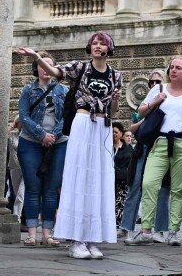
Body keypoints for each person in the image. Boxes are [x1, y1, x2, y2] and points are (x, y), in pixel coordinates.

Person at [19, 32, 123, 259]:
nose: (98, 46)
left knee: (99, 181)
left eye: (102, 43)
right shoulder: (81, 67)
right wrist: (37, 57)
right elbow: (57, 72)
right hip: (83, 122)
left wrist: (115, 99)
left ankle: (92, 239)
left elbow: (114, 110)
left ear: (109, 48)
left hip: (103, 126)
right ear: (90, 47)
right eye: (94, 43)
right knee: (79, 178)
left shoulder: (116, 75)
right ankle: (76, 240)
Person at [124, 56, 182, 246]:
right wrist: (154, 102)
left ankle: (173, 232)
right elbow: (139, 113)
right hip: (159, 142)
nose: (173, 70)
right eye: (171, 67)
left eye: (178, 68)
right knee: (149, 183)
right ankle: (146, 231)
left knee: (178, 189)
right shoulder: (158, 89)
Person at [16, 52, 68, 246]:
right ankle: (31, 234)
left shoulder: (63, 90)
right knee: (32, 188)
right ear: (36, 68)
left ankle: (47, 234)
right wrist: (41, 135)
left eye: (49, 64)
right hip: (30, 142)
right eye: (41, 64)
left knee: (51, 189)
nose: (45, 68)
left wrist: (52, 135)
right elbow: (23, 116)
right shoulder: (28, 90)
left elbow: (67, 115)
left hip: (59, 142)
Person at [121, 70, 171, 239]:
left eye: (158, 82)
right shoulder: (145, 104)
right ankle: (127, 227)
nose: (155, 85)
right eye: (152, 82)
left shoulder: (171, 101)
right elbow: (132, 127)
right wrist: (148, 115)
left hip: (163, 147)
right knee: (135, 186)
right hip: (143, 148)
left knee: (163, 189)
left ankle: (160, 229)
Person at [113, 121, 134, 230]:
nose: (114, 134)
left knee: (121, 201)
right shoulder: (107, 147)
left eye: (116, 132)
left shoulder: (127, 148)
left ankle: (118, 224)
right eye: (112, 132)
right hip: (111, 180)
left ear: (121, 134)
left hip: (123, 180)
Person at [7, 116, 23, 220]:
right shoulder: (12, 135)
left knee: (21, 194)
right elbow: (2, 136)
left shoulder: (27, 135)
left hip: (26, 167)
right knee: (17, 192)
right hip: (14, 166)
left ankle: (16, 217)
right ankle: (17, 216)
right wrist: (12, 124)